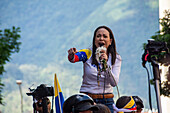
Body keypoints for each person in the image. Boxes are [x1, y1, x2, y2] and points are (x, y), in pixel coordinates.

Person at [68, 25, 121, 113]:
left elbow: (114, 82)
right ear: (94, 39)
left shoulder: (116, 58)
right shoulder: (88, 53)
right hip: (87, 100)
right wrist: (72, 55)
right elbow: (74, 58)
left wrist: (106, 64)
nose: (101, 39)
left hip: (107, 100)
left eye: (105, 36)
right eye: (98, 36)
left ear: (110, 41)